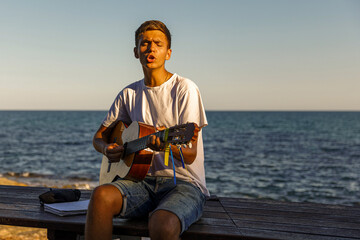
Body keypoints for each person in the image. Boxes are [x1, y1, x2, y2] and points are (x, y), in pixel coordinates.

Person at [85, 20, 208, 240]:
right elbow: (98, 138)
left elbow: (189, 155)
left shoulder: (184, 89)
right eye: (145, 43)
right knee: (100, 196)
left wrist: (165, 145)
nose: (151, 48)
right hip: (139, 182)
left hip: (183, 184)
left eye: (158, 44)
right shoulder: (128, 94)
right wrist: (107, 149)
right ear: (135, 52)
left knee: (161, 223)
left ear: (168, 53)